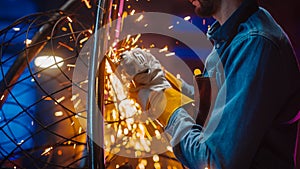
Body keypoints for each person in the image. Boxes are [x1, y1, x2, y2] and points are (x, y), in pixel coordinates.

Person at [118, 0, 300, 168]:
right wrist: (166, 81)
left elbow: (214, 161)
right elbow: (215, 110)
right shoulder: (233, 37)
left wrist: (163, 103)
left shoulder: (255, 44)